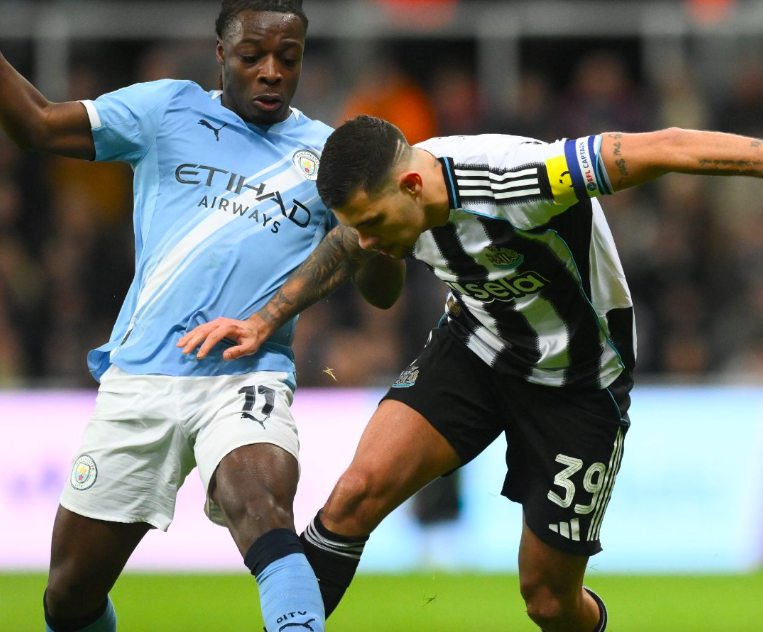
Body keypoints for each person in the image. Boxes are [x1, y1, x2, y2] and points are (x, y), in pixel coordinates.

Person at [179, 114, 763, 632]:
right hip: (475, 350)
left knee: (549, 603)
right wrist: (266, 319)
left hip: (580, 384)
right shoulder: (385, 207)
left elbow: (667, 146)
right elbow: (351, 251)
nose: (366, 238)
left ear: (412, 186)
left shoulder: (518, 179)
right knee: (354, 496)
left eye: (374, 222)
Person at [0, 2, 405, 631]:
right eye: (252, 56)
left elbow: (382, 293)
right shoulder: (165, 109)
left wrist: (376, 235)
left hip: (247, 376)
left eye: (288, 58)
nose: (271, 72)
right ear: (221, 55)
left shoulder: (327, 155)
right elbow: (36, 124)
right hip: (142, 378)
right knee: (69, 595)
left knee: (261, 507)